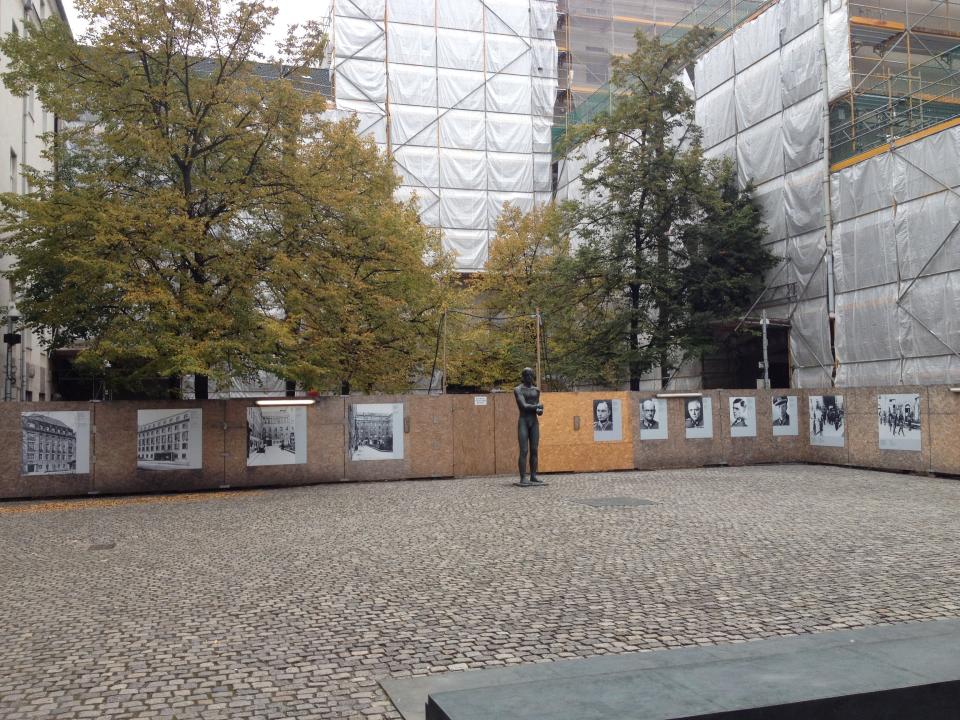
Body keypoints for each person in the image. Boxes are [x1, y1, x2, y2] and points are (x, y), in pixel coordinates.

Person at [514, 367, 544, 486]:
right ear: (523, 376)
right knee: (524, 450)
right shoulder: (518, 389)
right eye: (527, 375)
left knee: (534, 450)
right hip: (523, 421)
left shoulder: (536, 390)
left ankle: (533, 476)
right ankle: (522, 477)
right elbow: (523, 406)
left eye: (531, 375)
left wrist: (540, 410)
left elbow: (538, 410)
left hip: (533, 421)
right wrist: (537, 406)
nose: (529, 377)